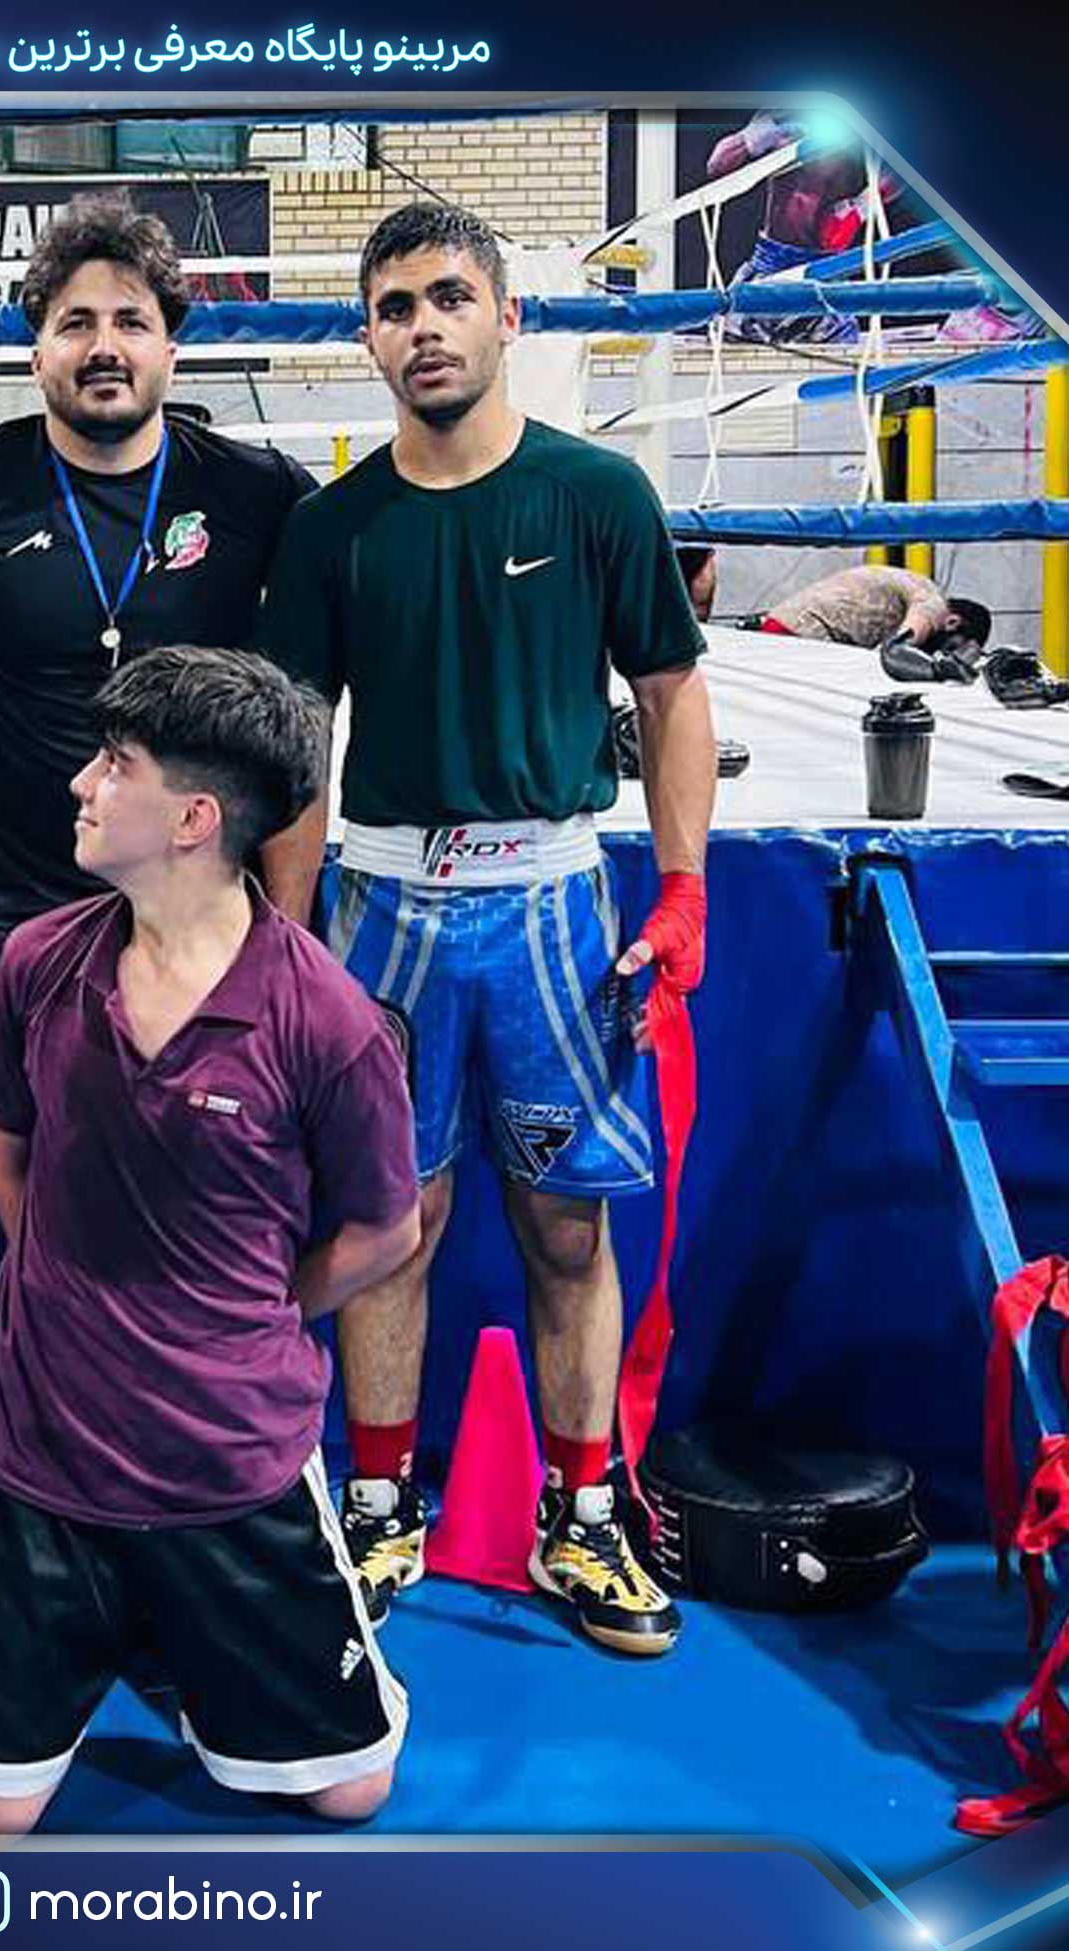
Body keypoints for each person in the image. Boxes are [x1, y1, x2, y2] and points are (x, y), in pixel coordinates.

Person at [260, 202, 718, 1657]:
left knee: (565, 1221)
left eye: (449, 296)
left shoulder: (596, 494)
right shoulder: (332, 528)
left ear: (507, 316)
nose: (424, 327)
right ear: (367, 338)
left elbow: (669, 692)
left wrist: (685, 883)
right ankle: (378, 1501)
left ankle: (581, 1515)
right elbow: (296, 745)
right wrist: (280, 941)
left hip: (554, 903)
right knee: (384, 1220)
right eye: (394, 306)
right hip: (381, 901)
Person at [0, 644, 420, 1833]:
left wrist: (252, 1318)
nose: (80, 783)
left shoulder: (326, 1021)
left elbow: (385, 1227)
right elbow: (7, 1144)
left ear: (195, 819)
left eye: (115, 764)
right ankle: (127, 1633)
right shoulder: (39, 963)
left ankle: (169, 1635)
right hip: (38, 1449)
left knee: (352, 1791)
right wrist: (67, 1292)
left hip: (227, 1456)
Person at [0, 195, 315, 983]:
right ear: (36, 355)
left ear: (170, 353)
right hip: (29, 917)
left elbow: (307, 715)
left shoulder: (262, 494)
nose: (104, 347)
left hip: (215, 917)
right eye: (76, 323)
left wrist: (283, 934)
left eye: (131, 322)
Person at [704, 111, 905, 345]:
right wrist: (752, 137)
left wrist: (863, 206)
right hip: (771, 263)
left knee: (840, 360)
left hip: (828, 269)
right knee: (724, 350)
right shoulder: (785, 116)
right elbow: (716, 166)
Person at [741, 564, 989, 664]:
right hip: (803, 636)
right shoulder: (934, 603)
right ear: (952, 622)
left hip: (790, 626)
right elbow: (900, 645)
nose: (941, 654)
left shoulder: (917, 586)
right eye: (950, 648)